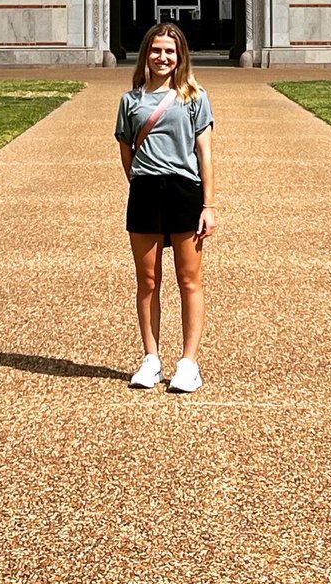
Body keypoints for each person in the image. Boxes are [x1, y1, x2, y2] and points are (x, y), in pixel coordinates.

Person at [115, 22, 216, 393]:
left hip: (185, 190)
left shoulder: (194, 97)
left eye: (169, 51)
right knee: (148, 282)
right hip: (145, 191)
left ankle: (189, 363)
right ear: (146, 54)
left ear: (180, 56)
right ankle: (151, 359)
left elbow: (205, 153)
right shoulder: (131, 101)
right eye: (156, 50)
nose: (162, 57)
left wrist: (209, 205)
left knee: (189, 280)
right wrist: (141, 180)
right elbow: (126, 151)